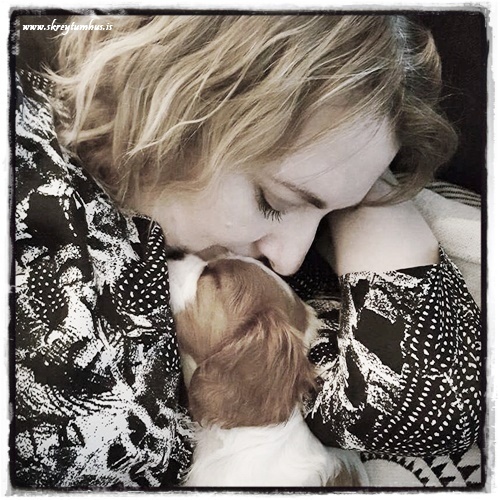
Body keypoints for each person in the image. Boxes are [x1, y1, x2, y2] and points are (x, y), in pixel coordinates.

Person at [12, 14, 481, 489]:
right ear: (178, 99)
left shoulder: (239, 262)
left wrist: (367, 190)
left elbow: (421, 409)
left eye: (330, 215)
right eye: (272, 201)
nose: (289, 259)